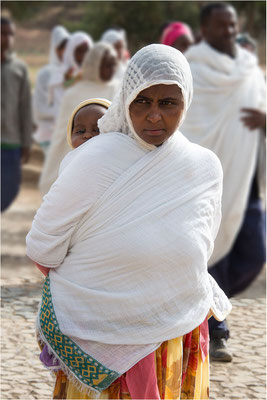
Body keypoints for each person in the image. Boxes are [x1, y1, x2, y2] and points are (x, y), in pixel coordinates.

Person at [26, 43, 231, 399]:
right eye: (142, 101)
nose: (154, 116)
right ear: (124, 100)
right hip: (98, 328)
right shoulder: (94, 159)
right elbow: (43, 245)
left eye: (168, 103)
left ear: (187, 102)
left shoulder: (204, 167)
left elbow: (201, 243)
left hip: (175, 330)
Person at [181, 2, 266, 362]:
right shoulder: (192, 68)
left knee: (255, 250)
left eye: (232, 25)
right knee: (210, 252)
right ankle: (215, 331)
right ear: (204, 30)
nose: (229, 31)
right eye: (221, 26)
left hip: (245, 178)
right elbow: (184, 120)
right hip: (202, 183)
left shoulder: (249, 67)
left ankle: (203, 306)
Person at [39, 42, 119, 196]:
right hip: (76, 164)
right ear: (93, 65)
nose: (111, 70)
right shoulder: (73, 94)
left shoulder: (118, 90)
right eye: (106, 65)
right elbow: (62, 135)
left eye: (113, 65)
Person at [1, 17, 33, 212]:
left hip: (11, 142)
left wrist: (27, 142)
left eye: (10, 34)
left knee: (10, 189)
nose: (7, 38)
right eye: (2, 33)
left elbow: (25, 107)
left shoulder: (19, 68)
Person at [32, 25, 70, 157]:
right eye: (61, 48)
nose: (65, 52)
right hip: (50, 132)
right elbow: (40, 108)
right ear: (55, 49)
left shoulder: (73, 73)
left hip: (68, 131)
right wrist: (63, 117)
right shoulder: (45, 74)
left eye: (67, 48)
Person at [48, 30, 93, 118]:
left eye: (87, 51)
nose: (84, 55)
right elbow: (60, 108)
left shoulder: (95, 73)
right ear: (71, 51)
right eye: (79, 51)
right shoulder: (60, 75)